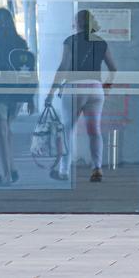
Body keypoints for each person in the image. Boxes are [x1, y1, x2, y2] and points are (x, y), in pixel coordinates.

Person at [46, 10, 118, 183]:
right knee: (94, 130)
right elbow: (113, 68)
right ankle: (97, 169)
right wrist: (105, 88)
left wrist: (51, 92)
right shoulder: (101, 43)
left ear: (76, 22)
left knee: (67, 130)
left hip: (74, 88)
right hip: (95, 89)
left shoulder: (70, 41)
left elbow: (63, 67)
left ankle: (63, 171)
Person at [0, 8, 35, 186]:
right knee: (6, 131)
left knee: (0, 132)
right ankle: (11, 169)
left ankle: (6, 176)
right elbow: (28, 72)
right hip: (16, 94)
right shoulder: (20, 42)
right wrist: (30, 98)